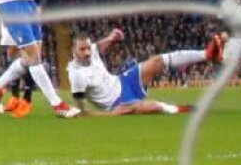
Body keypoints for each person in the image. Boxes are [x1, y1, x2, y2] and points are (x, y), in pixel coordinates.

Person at [67, 28, 206, 116]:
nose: (87, 52)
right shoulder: (77, 75)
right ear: (74, 51)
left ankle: (207, 54)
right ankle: (182, 110)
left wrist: (110, 38)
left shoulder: (92, 49)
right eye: (82, 49)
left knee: (157, 61)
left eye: (87, 48)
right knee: (154, 106)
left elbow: (97, 46)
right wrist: (113, 114)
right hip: (118, 103)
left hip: (123, 81)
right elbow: (84, 113)